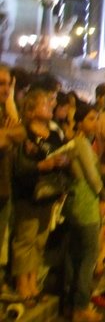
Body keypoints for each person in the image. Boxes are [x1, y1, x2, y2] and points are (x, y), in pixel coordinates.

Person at [11, 87, 72, 306]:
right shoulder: (24, 132)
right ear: (31, 109)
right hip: (29, 193)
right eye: (45, 103)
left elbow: (65, 152)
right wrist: (42, 165)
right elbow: (19, 167)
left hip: (50, 192)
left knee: (40, 240)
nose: (50, 106)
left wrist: (64, 161)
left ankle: (33, 282)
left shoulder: (53, 133)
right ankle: (22, 285)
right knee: (25, 239)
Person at [65, 103, 105, 322]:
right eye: (91, 118)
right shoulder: (80, 143)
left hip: (76, 202)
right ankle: (81, 307)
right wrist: (103, 194)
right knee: (88, 255)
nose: (95, 123)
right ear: (80, 122)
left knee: (75, 255)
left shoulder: (74, 142)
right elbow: (91, 175)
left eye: (96, 118)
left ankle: (70, 305)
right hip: (86, 201)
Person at [0, 64, 26, 282]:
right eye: (1, 84)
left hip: (4, 188)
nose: (5, 89)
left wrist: (10, 132)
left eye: (8, 84)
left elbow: (20, 133)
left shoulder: (5, 112)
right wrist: (9, 133)